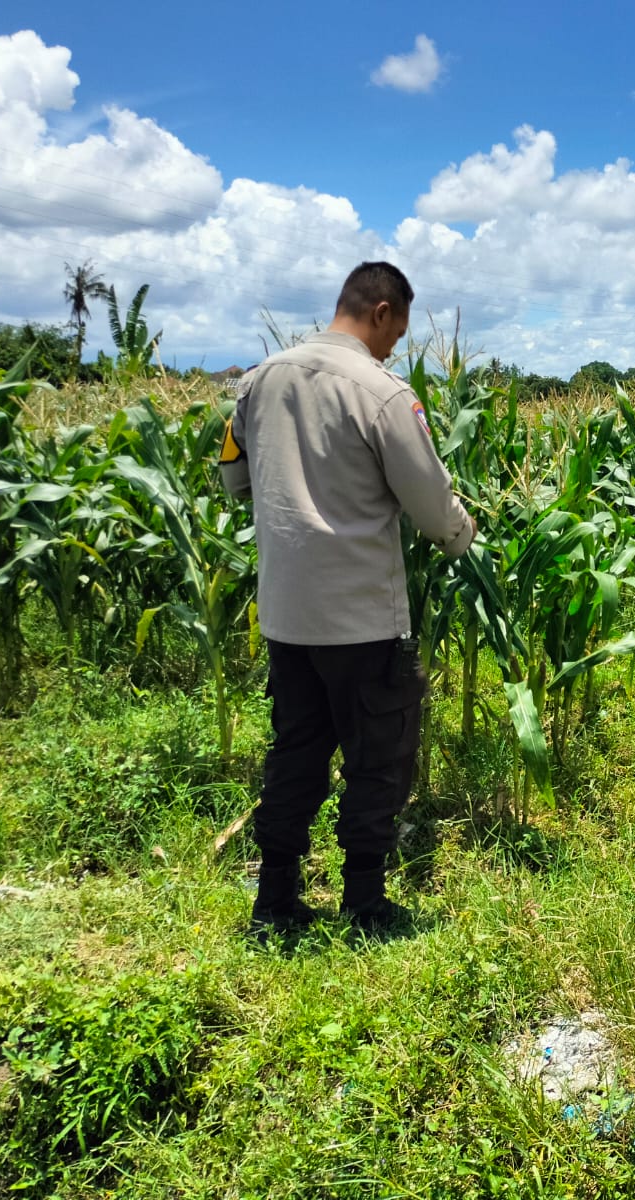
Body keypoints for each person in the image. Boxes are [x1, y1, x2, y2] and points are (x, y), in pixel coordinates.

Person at [220, 261, 475, 938]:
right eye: (398, 330)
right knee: (378, 756)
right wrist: (461, 534)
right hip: (361, 616)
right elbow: (430, 506)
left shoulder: (257, 382)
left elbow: (231, 478)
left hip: (286, 612)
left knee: (296, 750)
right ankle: (365, 904)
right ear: (382, 310)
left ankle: (275, 901)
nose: (394, 346)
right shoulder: (383, 393)